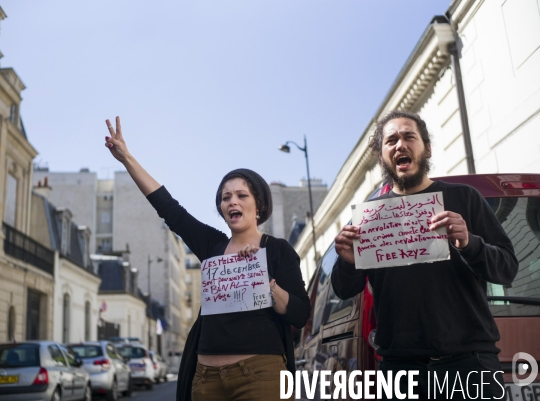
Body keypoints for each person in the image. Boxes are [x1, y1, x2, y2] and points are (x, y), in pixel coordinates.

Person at [103, 116, 310, 401]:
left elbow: (300, 314)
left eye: (241, 195)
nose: (232, 201)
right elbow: (169, 208)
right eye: (226, 197)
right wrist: (127, 158)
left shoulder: (278, 251)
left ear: (259, 205)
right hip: (206, 379)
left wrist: (267, 284)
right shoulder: (212, 244)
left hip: (260, 375)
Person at [331, 110, 518, 400]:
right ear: (382, 157)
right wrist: (346, 261)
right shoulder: (369, 217)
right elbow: (344, 290)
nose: (400, 144)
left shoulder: (465, 198)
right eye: (391, 140)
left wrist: (469, 243)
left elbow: (507, 269)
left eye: (409, 136)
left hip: (470, 364)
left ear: (427, 148)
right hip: (400, 371)